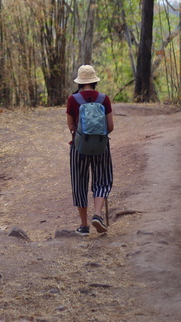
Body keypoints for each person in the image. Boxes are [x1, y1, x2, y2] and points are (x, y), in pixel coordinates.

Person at [66, 64, 114, 235]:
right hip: (101, 147)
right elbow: (110, 126)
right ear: (94, 81)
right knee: (102, 180)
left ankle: (84, 226)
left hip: (79, 148)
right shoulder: (104, 99)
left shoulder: (73, 100)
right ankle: (97, 215)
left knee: (79, 183)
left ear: (79, 82)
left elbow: (71, 126)